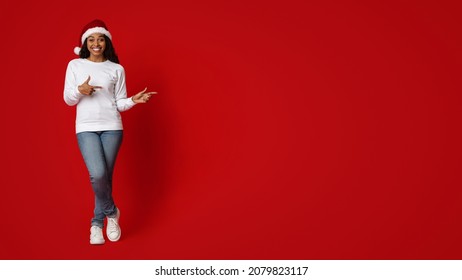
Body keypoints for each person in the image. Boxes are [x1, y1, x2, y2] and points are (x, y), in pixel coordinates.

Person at [63, 19, 156, 245]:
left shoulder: (116, 69)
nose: (96, 43)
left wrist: (133, 100)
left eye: (101, 39)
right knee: (98, 174)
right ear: (86, 42)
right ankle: (111, 213)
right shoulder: (75, 66)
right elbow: (68, 99)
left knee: (105, 177)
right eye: (92, 39)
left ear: (107, 42)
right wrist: (80, 90)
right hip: (86, 128)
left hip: (112, 127)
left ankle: (96, 224)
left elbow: (119, 102)